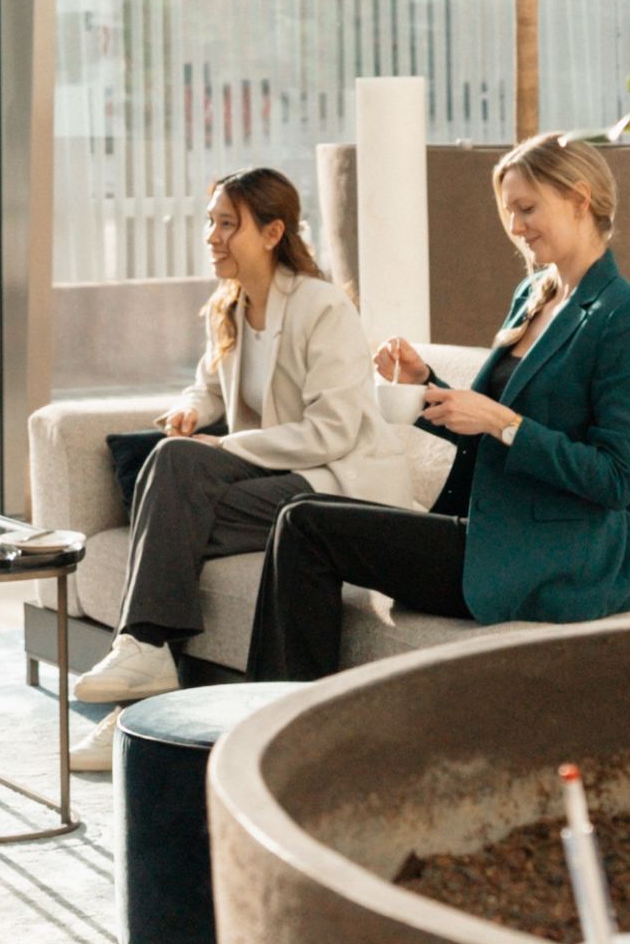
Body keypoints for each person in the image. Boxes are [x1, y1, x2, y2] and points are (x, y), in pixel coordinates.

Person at [244, 132, 630, 685]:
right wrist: (426, 387)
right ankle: (274, 716)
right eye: (509, 211)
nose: (515, 226)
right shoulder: (535, 294)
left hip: (542, 555)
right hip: (481, 529)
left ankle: (278, 728)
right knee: (298, 514)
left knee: (305, 523)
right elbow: (492, 434)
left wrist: (502, 422)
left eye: (526, 208)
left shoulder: (625, 316)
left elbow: (615, 479)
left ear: (580, 198)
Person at [63, 169, 436, 770]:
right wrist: (192, 409)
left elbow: (333, 432)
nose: (212, 235)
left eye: (227, 223)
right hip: (281, 482)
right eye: (210, 220)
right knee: (173, 485)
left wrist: (227, 449)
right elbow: (211, 386)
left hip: (339, 484)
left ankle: (145, 672)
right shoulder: (231, 304)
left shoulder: (322, 306)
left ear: (272, 232)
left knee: (172, 505)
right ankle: (146, 669)